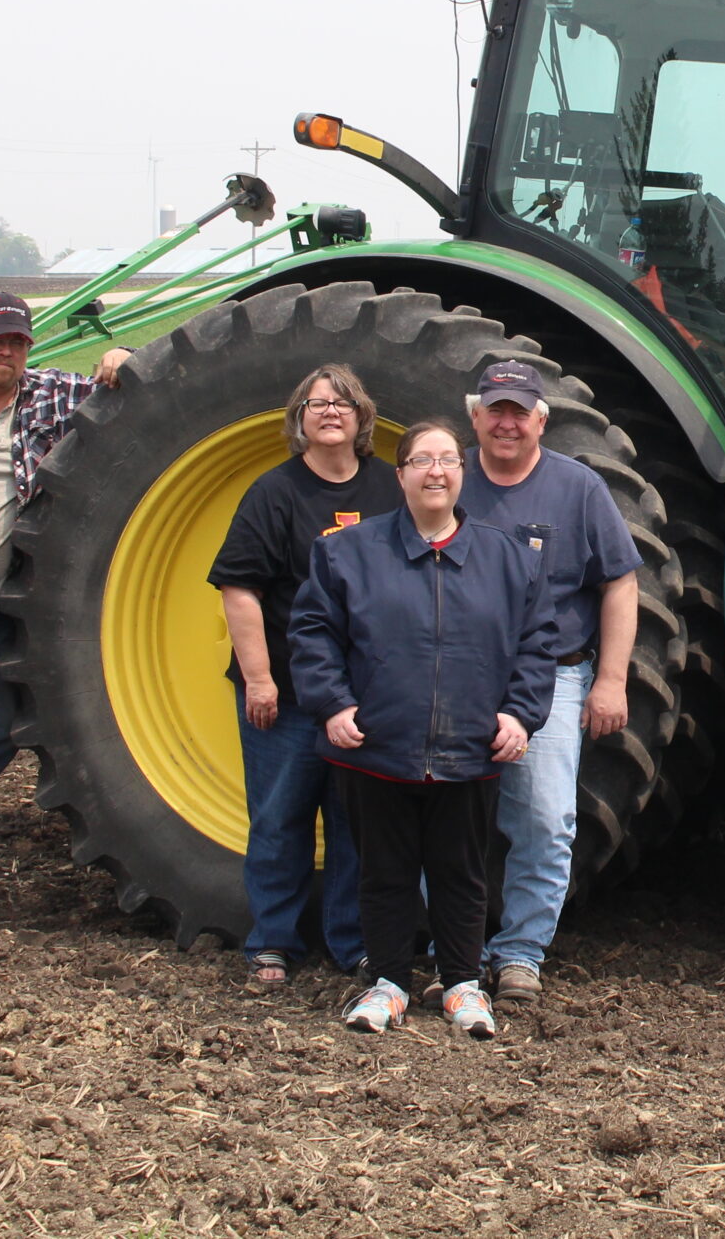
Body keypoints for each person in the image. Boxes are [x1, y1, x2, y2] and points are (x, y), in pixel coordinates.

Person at [289, 420, 554, 1036]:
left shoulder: (507, 558)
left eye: (447, 460)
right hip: (377, 746)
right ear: (400, 473)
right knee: (383, 869)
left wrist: (519, 713)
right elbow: (312, 633)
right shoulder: (346, 552)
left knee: (462, 871)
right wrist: (332, 704)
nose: (436, 471)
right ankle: (388, 984)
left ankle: (463, 984)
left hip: (468, 748)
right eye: (421, 460)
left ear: (462, 474)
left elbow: (538, 644)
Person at [0, 293, 129, 881]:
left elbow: (134, 398)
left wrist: (123, 355)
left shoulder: (49, 393)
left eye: (19, 342)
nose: (8, 352)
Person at [206, 364, 402, 990]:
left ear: (361, 417)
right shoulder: (275, 492)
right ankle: (271, 943)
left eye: (342, 403)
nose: (330, 412)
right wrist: (259, 679)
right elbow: (240, 589)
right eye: (316, 404)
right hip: (286, 694)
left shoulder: (387, 491)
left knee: (354, 825)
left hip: (358, 699)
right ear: (299, 420)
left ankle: (352, 944)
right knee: (279, 817)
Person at [458, 360, 641, 1005]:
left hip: (556, 678)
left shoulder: (578, 487)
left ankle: (519, 953)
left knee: (545, 818)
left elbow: (619, 582)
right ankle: (451, 949)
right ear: (475, 415)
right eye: (496, 409)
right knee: (446, 813)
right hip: (457, 678)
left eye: (520, 411)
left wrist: (611, 680)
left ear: (542, 420)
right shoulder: (447, 481)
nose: (507, 423)